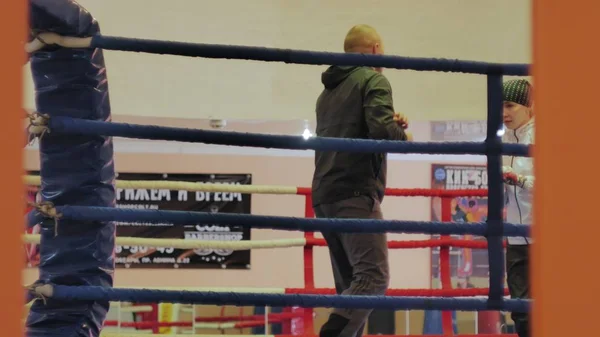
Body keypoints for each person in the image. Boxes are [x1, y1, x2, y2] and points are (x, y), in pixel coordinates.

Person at [311, 24, 411, 337]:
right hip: (355, 192)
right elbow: (382, 131)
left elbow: (365, 127)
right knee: (373, 277)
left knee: (351, 289)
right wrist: (402, 135)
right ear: (376, 50)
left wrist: (387, 123)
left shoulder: (326, 94)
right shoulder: (373, 78)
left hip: (325, 195)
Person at [501, 78, 535, 337]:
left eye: (510, 105)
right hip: (515, 236)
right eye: (501, 106)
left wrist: (520, 179)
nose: (504, 113)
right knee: (520, 311)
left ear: (527, 107)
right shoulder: (505, 142)